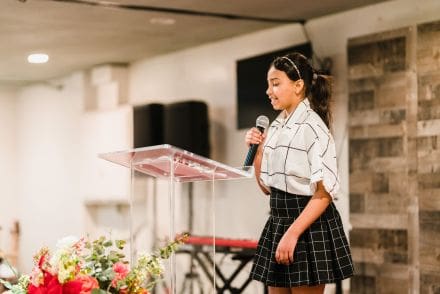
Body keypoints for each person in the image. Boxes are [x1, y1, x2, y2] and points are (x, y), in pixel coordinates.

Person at [245, 52, 354, 294]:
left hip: (307, 225)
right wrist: (258, 151)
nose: (268, 91)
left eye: (275, 84)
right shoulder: (275, 126)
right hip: (279, 221)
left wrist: (292, 233)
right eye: (268, 85)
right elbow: (266, 188)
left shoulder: (313, 127)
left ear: (298, 85)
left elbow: (324, 195)